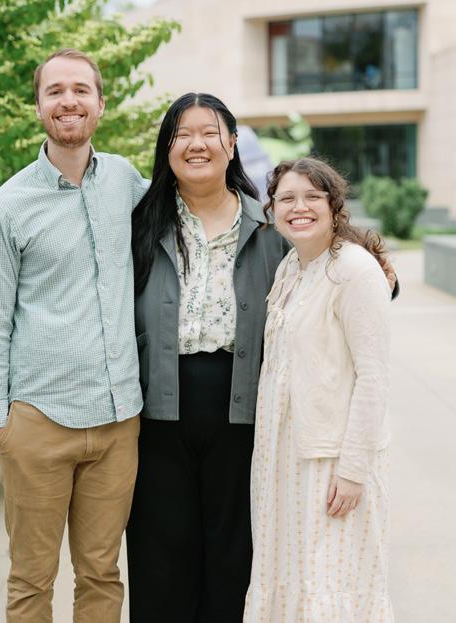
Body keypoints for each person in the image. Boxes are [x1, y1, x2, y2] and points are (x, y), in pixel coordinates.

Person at [0, 49, 147, 622]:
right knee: (31, 580)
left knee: (102, 574)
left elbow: (197, 206)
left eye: (80, 90)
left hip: (118, 421)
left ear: (100, 103)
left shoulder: (124, 180)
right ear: (38, 107)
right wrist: (1, 424)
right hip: (38, 422)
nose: (68, 101)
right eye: (55, 91)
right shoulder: (6, 208)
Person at [126, 93, 291, 623]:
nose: (196, 144)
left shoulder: (270, 225)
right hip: (158, 405)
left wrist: (381, 273)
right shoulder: (140, 221)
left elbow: (328, 256)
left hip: (242, 405)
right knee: (161, 555)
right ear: (166, 147)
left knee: (233, 552)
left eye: (209, 132)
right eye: (182, 134)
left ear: (232, 143)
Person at [244, 157, 394, 622]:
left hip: (330, 462)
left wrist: (352, 470)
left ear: (334, 206)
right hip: (283, 458)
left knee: (329, 584)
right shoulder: (291, 266)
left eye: (312, 196)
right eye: (287, 198)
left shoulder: (354, 269)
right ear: (272, 209)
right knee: (292, 579)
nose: (299, 207)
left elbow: (373, 378)